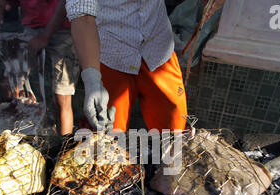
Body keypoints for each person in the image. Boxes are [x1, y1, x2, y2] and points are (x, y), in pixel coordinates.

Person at [61, 0, 226, 133]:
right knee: (108, 136)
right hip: (111, 54)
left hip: (158, 50)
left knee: (175, 132)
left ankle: (167, 173)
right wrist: (92, 80)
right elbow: (83, 15)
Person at [0, 0, 80, 136]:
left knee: (62, 97)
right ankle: (16, 139)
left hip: (62, 29)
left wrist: (45, 36)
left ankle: (64, 144)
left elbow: (65, 4)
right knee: (12, 85)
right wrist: (3, 3)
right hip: (31, 28)